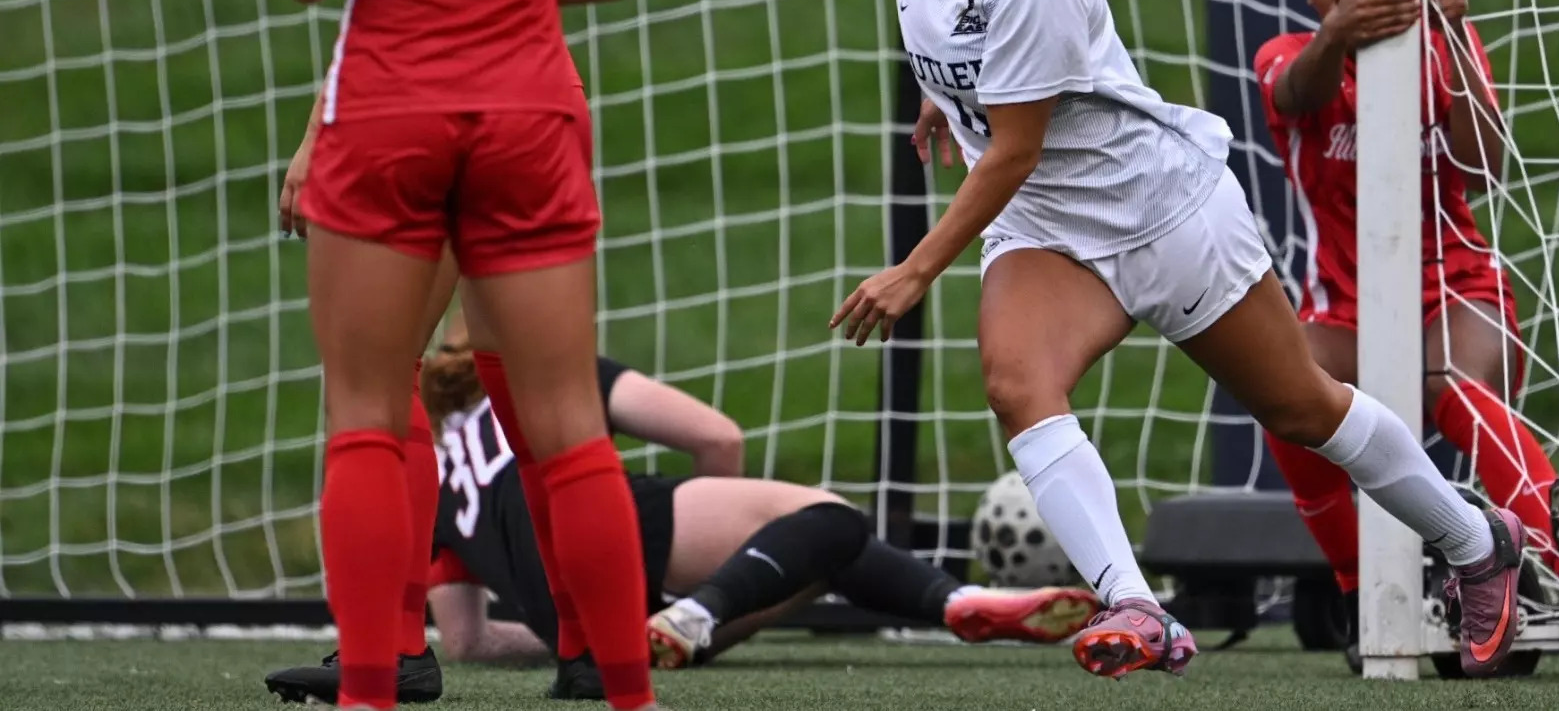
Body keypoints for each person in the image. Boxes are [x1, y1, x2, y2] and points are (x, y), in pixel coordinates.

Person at [820, 0, 1528, 680]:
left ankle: (1477, 542)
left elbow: (1015, 150)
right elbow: (974, 66)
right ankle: (1136, 604)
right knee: (1017, 382)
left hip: (1166, 212)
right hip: (1052, 228)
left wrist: (915, 267)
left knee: (1303, 406)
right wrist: (944, 98)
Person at [272, 0, 651, 706]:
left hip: (392, 108)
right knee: (569, 425)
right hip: (530, 107)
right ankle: (622, 684)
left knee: (365, 407)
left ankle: (377, 677)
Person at [265, 332, 1102, 703]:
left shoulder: (436, 472)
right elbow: (717, 435)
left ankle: (697, 613)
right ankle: (711, 605)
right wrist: (713, 543)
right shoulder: (546, 367)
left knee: (805, 563)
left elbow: (467, 641)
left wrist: (560, 629)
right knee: (828, 523)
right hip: (621, 533)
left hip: (570, 622)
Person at [1251, 0, 1559, 638]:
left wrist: (1452, 38)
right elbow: (1298, 92)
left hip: (1456, 286)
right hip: (1344, 310)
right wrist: (1339, 33)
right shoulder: (1288, 53)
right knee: (1281, 393)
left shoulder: (1444, 44)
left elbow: (1484, 166)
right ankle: (1360, 592)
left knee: (1453, 378)